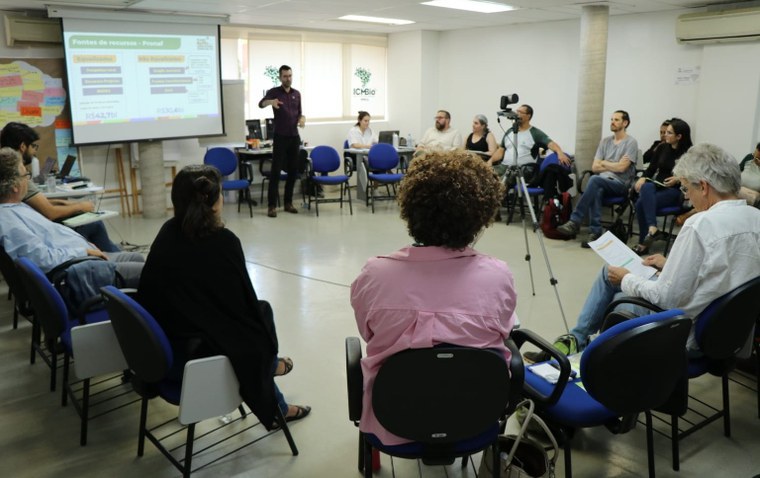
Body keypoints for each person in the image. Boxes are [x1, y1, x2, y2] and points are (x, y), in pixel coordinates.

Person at [526, 143, 760, 362]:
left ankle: (587, 357)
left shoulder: (700, 225)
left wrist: (626, 278)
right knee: (611, 275)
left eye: (686, 188)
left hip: (685, 330)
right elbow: (722, 270)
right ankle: (578, 342)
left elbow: (666, 298)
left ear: (705, 187)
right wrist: (670, 264)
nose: (686, 196)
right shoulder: (755, 218)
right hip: (724, 332)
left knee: (618, 295)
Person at [350, 151, 517, 446]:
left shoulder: (375, 275)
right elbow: (505, 331)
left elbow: (368, 333)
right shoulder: (498, 275)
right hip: (475, 418)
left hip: (394, 421)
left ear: (412, 209)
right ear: (480, 217)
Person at [137, 164, 310, 430]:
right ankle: (276, 401)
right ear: (215, 204)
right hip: (190, 360)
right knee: (260, 316)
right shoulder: (223, 242)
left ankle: (271, 368)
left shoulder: (168, 232)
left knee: (253, 320)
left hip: (156, 350)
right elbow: (242, 310)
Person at [0, 147, 143, 308]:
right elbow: (42, 260)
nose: (28, 179)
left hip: (80, 263)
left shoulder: (15, 207)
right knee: (150, 273)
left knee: (137, 258)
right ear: (14, 186)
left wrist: (84, 247)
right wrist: (83, 251)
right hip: (77, 276)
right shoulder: (9, 222)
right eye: (25, 175)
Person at [0, 122, 121, 252]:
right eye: (33, 146)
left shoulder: (7, 170)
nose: (34, 151)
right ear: (23, 146)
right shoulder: (19, 177)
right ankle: (114, 261)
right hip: (44, 232)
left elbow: (38, 204)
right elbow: (50, 213)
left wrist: (69, 205)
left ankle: (114, 253)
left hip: (36, 227)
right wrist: (80, 206)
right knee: (95, 224)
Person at [556, 110, 638, 246]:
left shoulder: (631, 143)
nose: (612, 122)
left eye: (616, 120)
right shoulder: (605, 142)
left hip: (620, 184)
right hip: (602, 182)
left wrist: (604, 163)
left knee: (594, 180)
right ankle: (595, 232)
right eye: (611, 119)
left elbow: (622, 169)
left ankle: (575, 221)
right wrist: (614, 164)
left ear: (625, 123)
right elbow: (595, 167)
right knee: (597, 188)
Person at [631, 118, 693, 254]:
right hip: (657, 187)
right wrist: (643, 178)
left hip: (676, 192)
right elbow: (651, 169)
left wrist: (677, 179)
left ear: (679, 136)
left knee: (641, 203)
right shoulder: (662, 148)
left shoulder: (690, 153)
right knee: (646, 186)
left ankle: (644, 243)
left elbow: (694, 176)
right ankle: (652, 228)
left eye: (669, 133)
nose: (665, 135)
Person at [259, 65, 305, 218]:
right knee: (276, 172)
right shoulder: (275, 92)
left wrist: (302, 119)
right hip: (280, 136)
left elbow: (299, 113)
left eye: (290, 76)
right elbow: (261, 104)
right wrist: (270, 102)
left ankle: (288, 203)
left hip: (294, 137)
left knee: (293, 171)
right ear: (280, 77)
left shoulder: (297, 94)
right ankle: (271, 206)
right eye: (285, 76)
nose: (288, 79)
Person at [490, 104, 570, 172]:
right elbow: (500, 151)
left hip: (522, 170)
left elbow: (551, 144)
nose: (516, 114)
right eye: (517, 111)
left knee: (496, 184)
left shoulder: (535, 133)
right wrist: (489, 162)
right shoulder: (510, 132)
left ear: (528, 116)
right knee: (482, 175)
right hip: (504, 167)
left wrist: (560, 153)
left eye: (520, 112)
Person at [738, 142, 760, 207]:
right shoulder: (749, 157)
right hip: (740, 189)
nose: (756, 159)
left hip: (755, 196)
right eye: (756, 156)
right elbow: (736, 171)